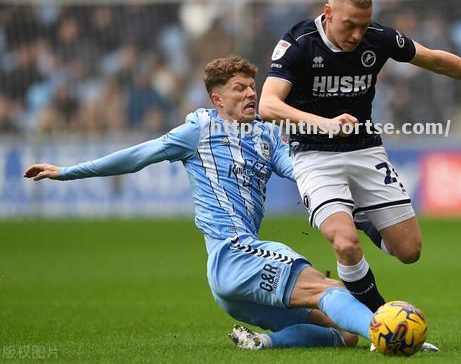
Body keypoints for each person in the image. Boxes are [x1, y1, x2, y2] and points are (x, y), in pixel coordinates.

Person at [24, 55, 376, 351]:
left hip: (233, 285)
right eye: (239, 88)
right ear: (217, 99)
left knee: (344, 334)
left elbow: (303, 175)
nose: (251, 93)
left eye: (252, 86)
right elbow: (138, 156)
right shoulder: (199, 130)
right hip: (234, 252)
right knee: (330, 290)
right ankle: (388, 330)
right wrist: (67, 172)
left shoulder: (268, 135)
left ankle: (263, 344)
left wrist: (347, 196)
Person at [259, 0, 461, 317]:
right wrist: (323, 123)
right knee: (345, 244)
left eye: (363, 25)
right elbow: (268, 105)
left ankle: (358, 215)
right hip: (314, 155)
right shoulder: (300, 42)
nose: (358, 35)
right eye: (349, 25)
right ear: (328, 12)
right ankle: (380, 319)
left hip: (365, 150)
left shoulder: (378, 38)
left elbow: (435, 60)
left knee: (409, 250)